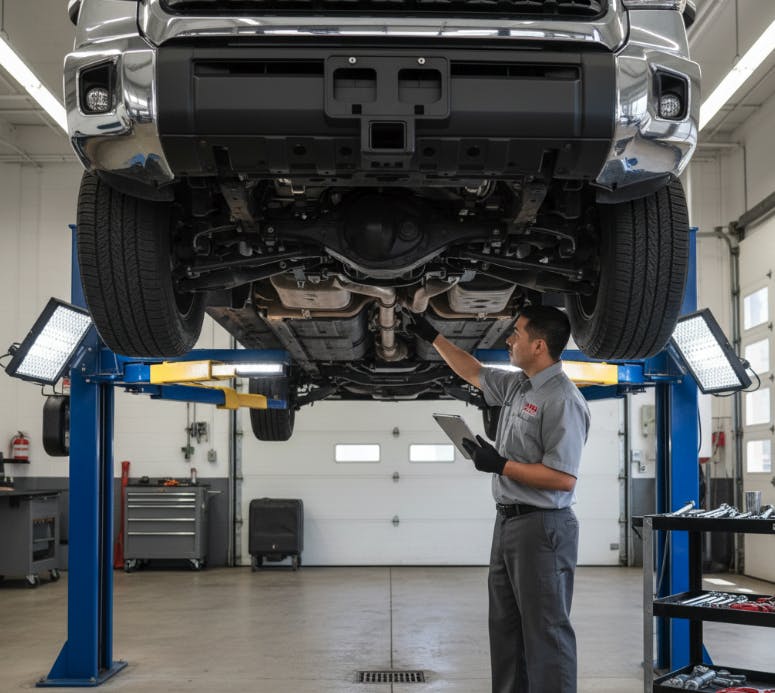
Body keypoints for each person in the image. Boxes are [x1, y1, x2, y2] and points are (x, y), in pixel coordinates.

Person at [411, 305, 590, 693]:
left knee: (546, 632)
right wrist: (432, 336)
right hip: (508, 521)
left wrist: (501, 464)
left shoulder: (563, 400)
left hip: (543, 528)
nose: (509, 339)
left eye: (517, 334)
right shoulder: (518, 384)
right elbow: (472, 371)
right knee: (506, 628)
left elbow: (562, 478)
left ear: (539, 345)